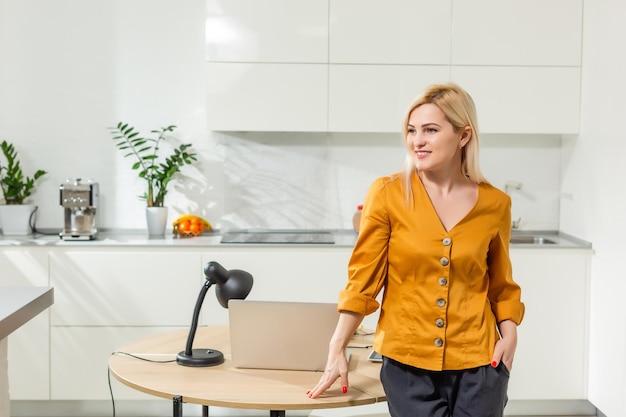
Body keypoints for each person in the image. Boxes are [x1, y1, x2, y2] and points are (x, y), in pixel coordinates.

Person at [307, 83, 525, 417]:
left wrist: (509, 338)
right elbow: (363, 282)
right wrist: (337, 345)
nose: (416, 141)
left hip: (481, 363)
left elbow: (501, 284)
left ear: (463, 135)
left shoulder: (496, 203)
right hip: (407, 367)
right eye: (411, 130)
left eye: (430, 130)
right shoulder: (388, 193)